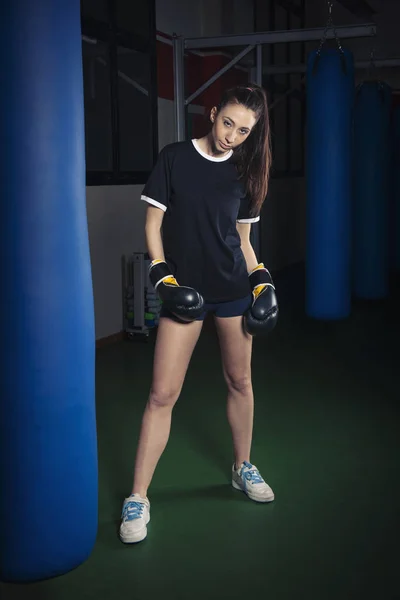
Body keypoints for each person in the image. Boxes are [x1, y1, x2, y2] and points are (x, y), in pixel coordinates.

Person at [119, 83, 278, 544]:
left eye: (244, 130)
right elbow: (152, 226)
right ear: (212, 113)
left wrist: (262, 281)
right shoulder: (174, 158)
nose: (232, 136)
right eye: (228, 123)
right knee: (162, 394)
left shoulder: (246, 171)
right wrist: (163, 279)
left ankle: (241, 467)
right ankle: (138, 496)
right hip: (184, 291)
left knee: (241, 381)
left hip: (231, 289)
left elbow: (244, 242)